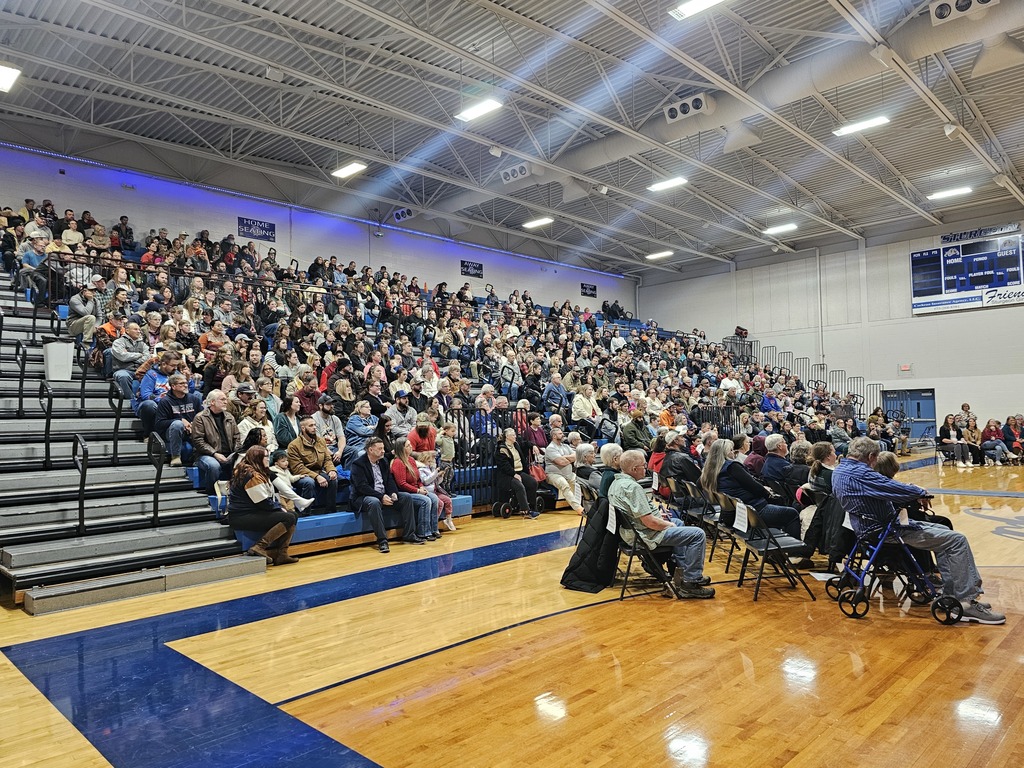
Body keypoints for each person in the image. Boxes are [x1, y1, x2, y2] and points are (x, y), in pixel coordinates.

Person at [832, 436, 1004, 624]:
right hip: (886, 531)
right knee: (957, 540)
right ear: (871, 456)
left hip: (866, 528)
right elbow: (894, 487)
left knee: (942, 531)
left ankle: (953, 595)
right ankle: (967, 601)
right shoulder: (863, 474)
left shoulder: (840, 470)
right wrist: (921, 492)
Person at [609, 449, 714, 599]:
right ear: (633, 469)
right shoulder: (632, 488)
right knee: (697, 534)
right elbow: (649, 522)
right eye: (644, 466)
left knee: (677, 521)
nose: (646, 468)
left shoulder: (616, 482)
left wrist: (664, 519)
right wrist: (667, 525)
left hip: (632, 531)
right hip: (644, 535)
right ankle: (691, 582)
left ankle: (683, 571)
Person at [700, 438, 802, 541]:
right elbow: (755, 487)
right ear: (724, 453)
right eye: (730, 450)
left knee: (780, 511)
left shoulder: (710, 469)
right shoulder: (732, 466)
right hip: (752, 511)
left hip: (732, 514)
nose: (733, 453)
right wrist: (766, 492)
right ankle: (794, 552)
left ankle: (777, 551)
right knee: (792, 513)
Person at [226, 446, 298, 565]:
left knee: (293, 515)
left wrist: (279, 508)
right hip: (242, 516)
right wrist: (279, 508)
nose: (267, 459)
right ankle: (259, 547)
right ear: (257, 458)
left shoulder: (250, 470)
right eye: (265, 456)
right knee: (289, 517)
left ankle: (282, 554)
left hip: (249, 512)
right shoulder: (252, 475)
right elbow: (262, 502)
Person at [350, 436, 418, 552]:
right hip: (364, 497)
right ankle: (382, 540)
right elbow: (362, 487)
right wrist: (381, 497)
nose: (383, 451)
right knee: (374, 502)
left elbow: (389, 480)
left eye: (383, 448)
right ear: (370, 450)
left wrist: (393, 493)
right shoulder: (358, 464)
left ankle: (409, 534)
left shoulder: (383, 461)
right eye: (380, 449)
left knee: (406, 497)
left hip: (384, 494)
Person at [191, 389, 242, 496]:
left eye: (226, 399)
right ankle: (212, 493)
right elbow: (198, 441)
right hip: (206, 455)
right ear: (212, 402)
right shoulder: (200, 417)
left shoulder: (229, 416)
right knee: (213, 465)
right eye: (222, 399)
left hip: (229, 453)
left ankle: (238, 494)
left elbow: (237, 437)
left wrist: (236, 453)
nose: (226, 402)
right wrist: (215, 453)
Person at [287, 415, 339, 514]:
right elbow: (298, 468)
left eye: (315, 425)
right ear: (303, 428)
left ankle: (331, 511)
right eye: (311, 425)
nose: (314, 427)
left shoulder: (320, 441)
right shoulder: (293, 445)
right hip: (302, 475)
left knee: (333, 479)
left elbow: (327, 459)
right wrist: (317, 477)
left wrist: (331, 470)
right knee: (309, 482)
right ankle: (306, 514)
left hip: (319, 471)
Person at [390, 437, 438, 540]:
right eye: (408, 446)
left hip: (417, 489)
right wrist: (417, 490)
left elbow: (418, 479)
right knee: (426, 501)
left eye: (410, 445)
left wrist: (421, 487)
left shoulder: (411, 460)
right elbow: (401, 483)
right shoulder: (398, 462)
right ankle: (423, 532)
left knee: (434, 498)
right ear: (401, 449)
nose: (411, 447)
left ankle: (434, 529)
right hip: (405, 492)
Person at [153, 373, 202, 467]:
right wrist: (180, 420)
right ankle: (175, 457)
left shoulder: (194, 399)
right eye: (182, 383)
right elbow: (159, 424)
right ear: (173, 386)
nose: (186, 385)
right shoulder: (165, 401)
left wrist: (194, 423)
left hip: (191, 430)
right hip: (172, 432)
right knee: (178, 424)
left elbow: (201, 415)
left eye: (186, 383)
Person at [496, 427, 540, 518]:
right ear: (507, 437)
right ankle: (525, 511)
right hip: (507, 475)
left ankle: (532, 507)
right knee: (519, 487)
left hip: (519, 472)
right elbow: (504, 466)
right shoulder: (501, 449)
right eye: (513, 435)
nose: (515, 436)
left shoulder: (516, 444)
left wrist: (533, 445)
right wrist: (514, 474)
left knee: (533, 483)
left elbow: (526, 443)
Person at [544, 427, 584, 514]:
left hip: (569, 474)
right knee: (564, 485)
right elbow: (561, 462)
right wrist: (569, 459)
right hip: (553, 474)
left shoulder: (565, 446)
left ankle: (588, 504)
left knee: (582, 483)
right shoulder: (550, 448)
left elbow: (576, 456)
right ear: (554, 436)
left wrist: (565, 458)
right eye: (560, 434)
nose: (563, 435)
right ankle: (579, 509)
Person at [267, 449, 314, 514]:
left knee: (291, 510)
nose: (286, 462)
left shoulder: (286, 471)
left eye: (287, 460)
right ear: (276, 463)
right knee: (284, 509)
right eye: (283, 461)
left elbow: (291, 479)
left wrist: (299, 476)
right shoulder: (272, 469)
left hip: (289, 495)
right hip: (280, 495)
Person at [311, 394, 346, 466]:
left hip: (335, 446)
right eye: (328, 404)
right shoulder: (313, 419)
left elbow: (341, 437)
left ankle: (348, 474)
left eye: (332, 404)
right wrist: (332, 454)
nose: (332, 406)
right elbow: (318, 442)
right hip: (322, 448)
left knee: (353, 451)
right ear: (320, 406)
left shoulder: (335, 418)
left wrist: (340, 451)